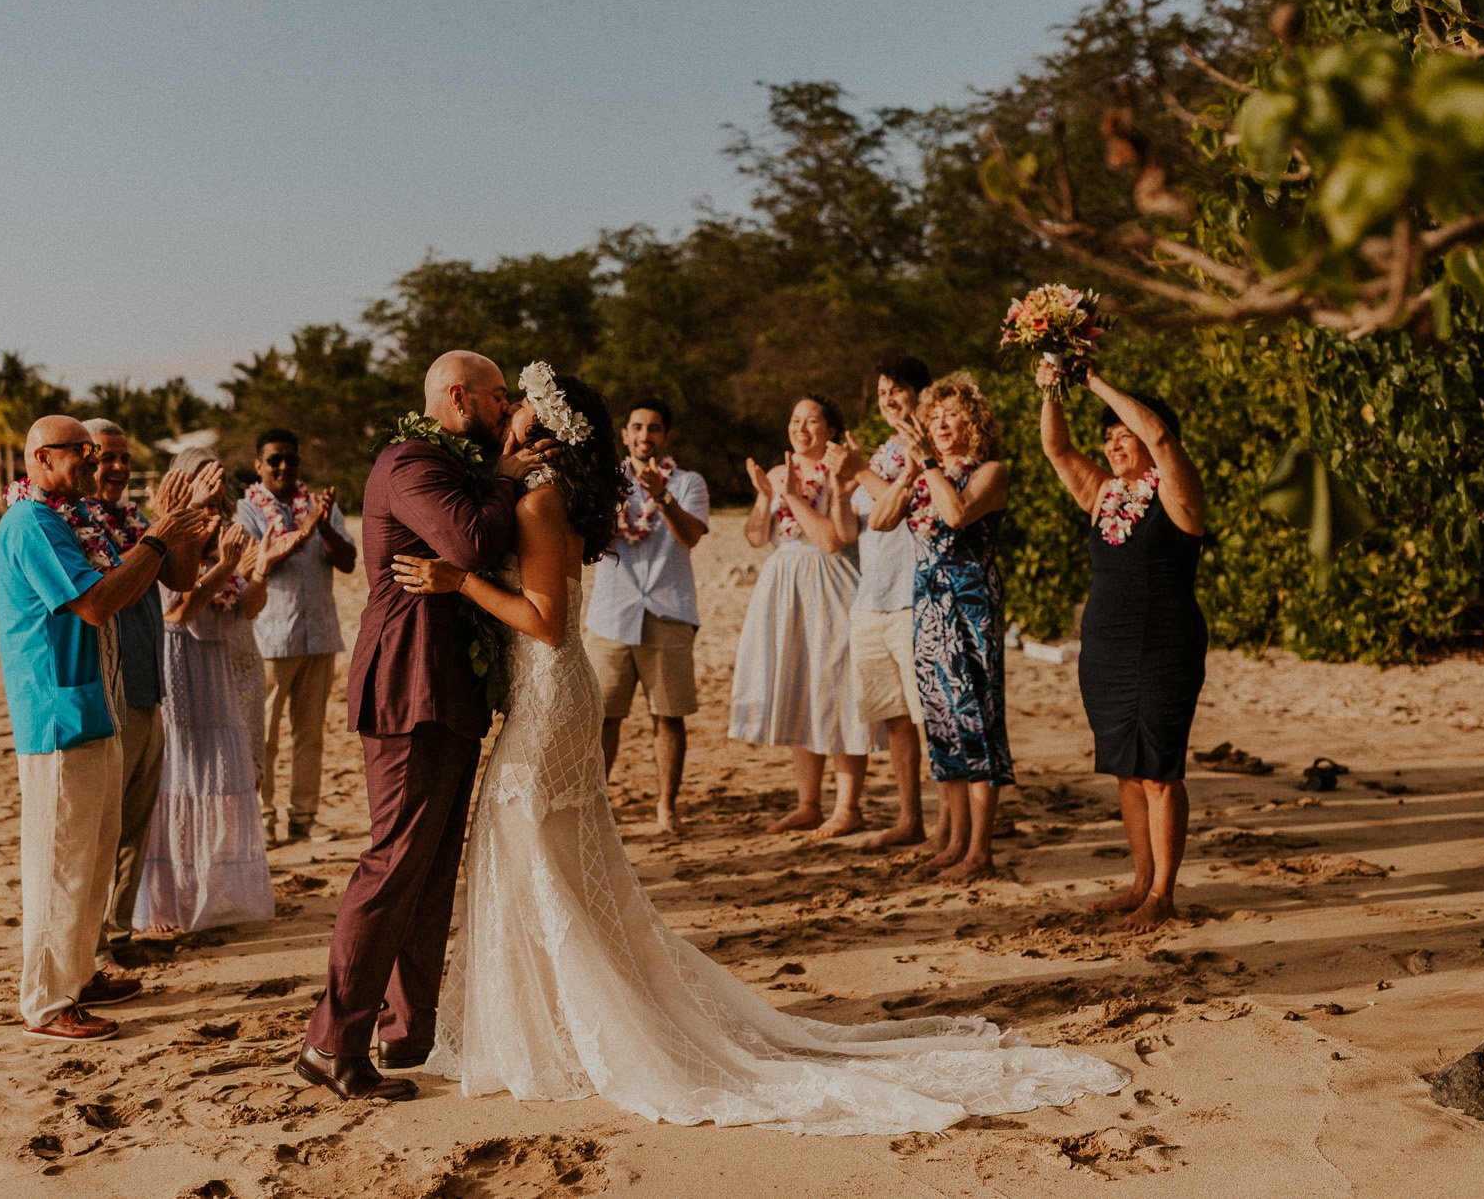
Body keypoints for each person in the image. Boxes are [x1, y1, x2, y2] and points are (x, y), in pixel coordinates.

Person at [391, 362, 1128, 1135]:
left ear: (538, 425)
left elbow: (543, 619)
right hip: (560, 694)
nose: (504, 409)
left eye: (516, 403)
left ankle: (562, 1030)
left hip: (547, 697)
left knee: (532, 850)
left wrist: (458, 581)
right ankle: (555, 1020)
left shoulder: (539, 498)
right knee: (555, 859)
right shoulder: (540, 488)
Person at [295, 351, 555, 1103]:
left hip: (449, 684)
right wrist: (506, 477)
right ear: (457, 395)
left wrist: (499, 473)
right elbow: (470, 542)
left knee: (433, 863)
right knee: (394, 860)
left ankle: (408, 1028)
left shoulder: (455, 461)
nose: (507, 408)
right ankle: (331, 1040)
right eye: (498, 395)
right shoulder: (410, 463)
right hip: (409, 681)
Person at [0, 415, 211, 1042]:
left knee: (92, 855)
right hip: (57, 714)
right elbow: (95, 603)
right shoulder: (32, 524)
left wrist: (169, 537)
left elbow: (150, 581)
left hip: (99, 705)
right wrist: (159, 537)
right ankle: (45, 999)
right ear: (39, 457)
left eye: (94, 453)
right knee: (60, 860)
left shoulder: (73, 520)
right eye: (79, 452)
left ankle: (80, 972)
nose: (91, 462)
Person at [1038, 363, 1206, 931]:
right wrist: (1052, 389)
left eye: (1121, 435)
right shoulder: (1104, 495)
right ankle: (1139, 881)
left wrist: (1093, 379)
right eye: (1106, 439)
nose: (1112, 445)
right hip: (1105, 647)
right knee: (1127, 771)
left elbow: (1159, 436)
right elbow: (1056, 446)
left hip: (1165, 642)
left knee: (1160, 769)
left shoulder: (1179, 493)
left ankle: (1163, 893)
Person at [868, 372, 1011, 883]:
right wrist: (908, 475)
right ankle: (952, 842)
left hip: (970, 606)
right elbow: (880, 522)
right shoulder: (924, 473)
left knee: (976, 723)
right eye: (935, 416)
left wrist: (927, 465)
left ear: (973, 422)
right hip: (927, 605)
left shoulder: (991, 472)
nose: (942, 423)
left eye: (952, 415)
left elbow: (956, 515)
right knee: (943, 725)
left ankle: (980, 850)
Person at [134, 448, 282, 935]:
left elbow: (246, 610)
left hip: (221, 667)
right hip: (181, 667)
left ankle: (213, 892)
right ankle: (170, 899)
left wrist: (258, 569)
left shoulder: (225, 535)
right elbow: (180, 610)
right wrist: (226, 567)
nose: (213, 507)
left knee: (222, 780)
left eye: (218, 498)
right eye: (205, 496)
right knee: (183, 779)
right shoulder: (169, 535)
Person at [78, 418, 197, 956]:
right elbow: (109, 591)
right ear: (84, 460)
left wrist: (181, 524)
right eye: (107, 457)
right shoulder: (75, 524)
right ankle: (93, 938)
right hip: (108, 688)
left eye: (124, 457)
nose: (119, 467)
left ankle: (120, 931)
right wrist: (160, 529)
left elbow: (182, 579)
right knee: (104, 823)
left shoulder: (136, 519)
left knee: (136, 821)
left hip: (151, 681)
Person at [728, 395, 865, 836]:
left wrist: (790, 496)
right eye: (795, 420)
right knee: (801, 686)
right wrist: (766, 497)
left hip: (830, 580)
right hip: (784, 582)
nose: (801, 428)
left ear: (828, 429)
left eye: (811, 421)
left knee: (837, 687)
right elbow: (754, 536)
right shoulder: (776, 472)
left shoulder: (840, 471)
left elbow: (831, 540)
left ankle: (848, 807)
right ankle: (807, 803)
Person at [584, 397, 709, 834]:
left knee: (668, 716)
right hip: (610, 614)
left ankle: (666, 807)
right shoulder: (602, 480)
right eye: (637, 427)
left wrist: (663, 497)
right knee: (602, 717)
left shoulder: (690, 482)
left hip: (668, 609)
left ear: (666, 436)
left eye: (654, 428)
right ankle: (594, 808)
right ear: (624, 434)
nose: (644, 436)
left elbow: (690, 536)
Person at [829, 357, 933, 852]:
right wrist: (839, 483)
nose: (889, 399)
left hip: (916, 596)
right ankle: (909, 817)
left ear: (921, 393)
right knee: (894, 717)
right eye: (882, 392)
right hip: (872, 598)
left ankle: (955, 824)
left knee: (929, 716)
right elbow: (849, 533)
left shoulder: (928, 444)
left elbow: (900, 513)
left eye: (898, 389)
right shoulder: (884, 451)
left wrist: (860, 472)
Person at [236, 428, 358, 845]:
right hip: (271, 637)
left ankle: (305, 817)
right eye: (274, 460)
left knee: (310, 735)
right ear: (259, 466)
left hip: (320, 633)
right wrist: (306, 530)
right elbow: (260, 561)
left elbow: (347, 562)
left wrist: (323, 527)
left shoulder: (320, 508)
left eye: (291, 459)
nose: (284, 466)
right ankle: (265, 819)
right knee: (264, 735)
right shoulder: (247, 511)